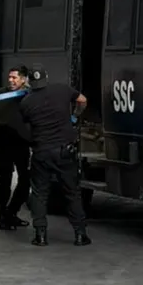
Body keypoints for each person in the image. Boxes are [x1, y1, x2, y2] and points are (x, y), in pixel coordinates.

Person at [19, 66, 90, 247]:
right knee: (72, 192)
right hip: (64, 151)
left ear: (29, 81)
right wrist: (74, 117)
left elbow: (27, 126)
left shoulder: (26, 102)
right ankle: (80, 234)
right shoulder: (62, 89)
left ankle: (40, 236)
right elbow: (82, 100)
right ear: (46, 77)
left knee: (39, 194)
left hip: (41, 152)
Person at [0, 65, 32, 230]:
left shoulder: (29, 95)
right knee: (4, 182)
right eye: (10, 77)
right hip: (4, 145)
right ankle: (0, 216)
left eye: (14, 78)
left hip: (21, 145)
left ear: (23, 79)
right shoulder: (2, 94)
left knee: (25, 181)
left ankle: (11, 213)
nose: (11, 80)